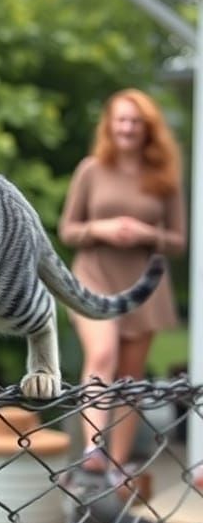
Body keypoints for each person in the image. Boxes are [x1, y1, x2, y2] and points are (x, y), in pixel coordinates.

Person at [59, 88, 187, 479]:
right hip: (94, 276)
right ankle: (93, 449)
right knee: (102, 355)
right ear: (110, 126)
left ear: (147, 128)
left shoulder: (164, 178)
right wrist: (102, 227)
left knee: (131, 377)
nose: (128, 128)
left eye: (135, 121)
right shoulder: (91, 169)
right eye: (121, 120)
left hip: (144, 287)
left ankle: (117, 462)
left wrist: (145, 233)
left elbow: (179, 241)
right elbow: (68, 230)